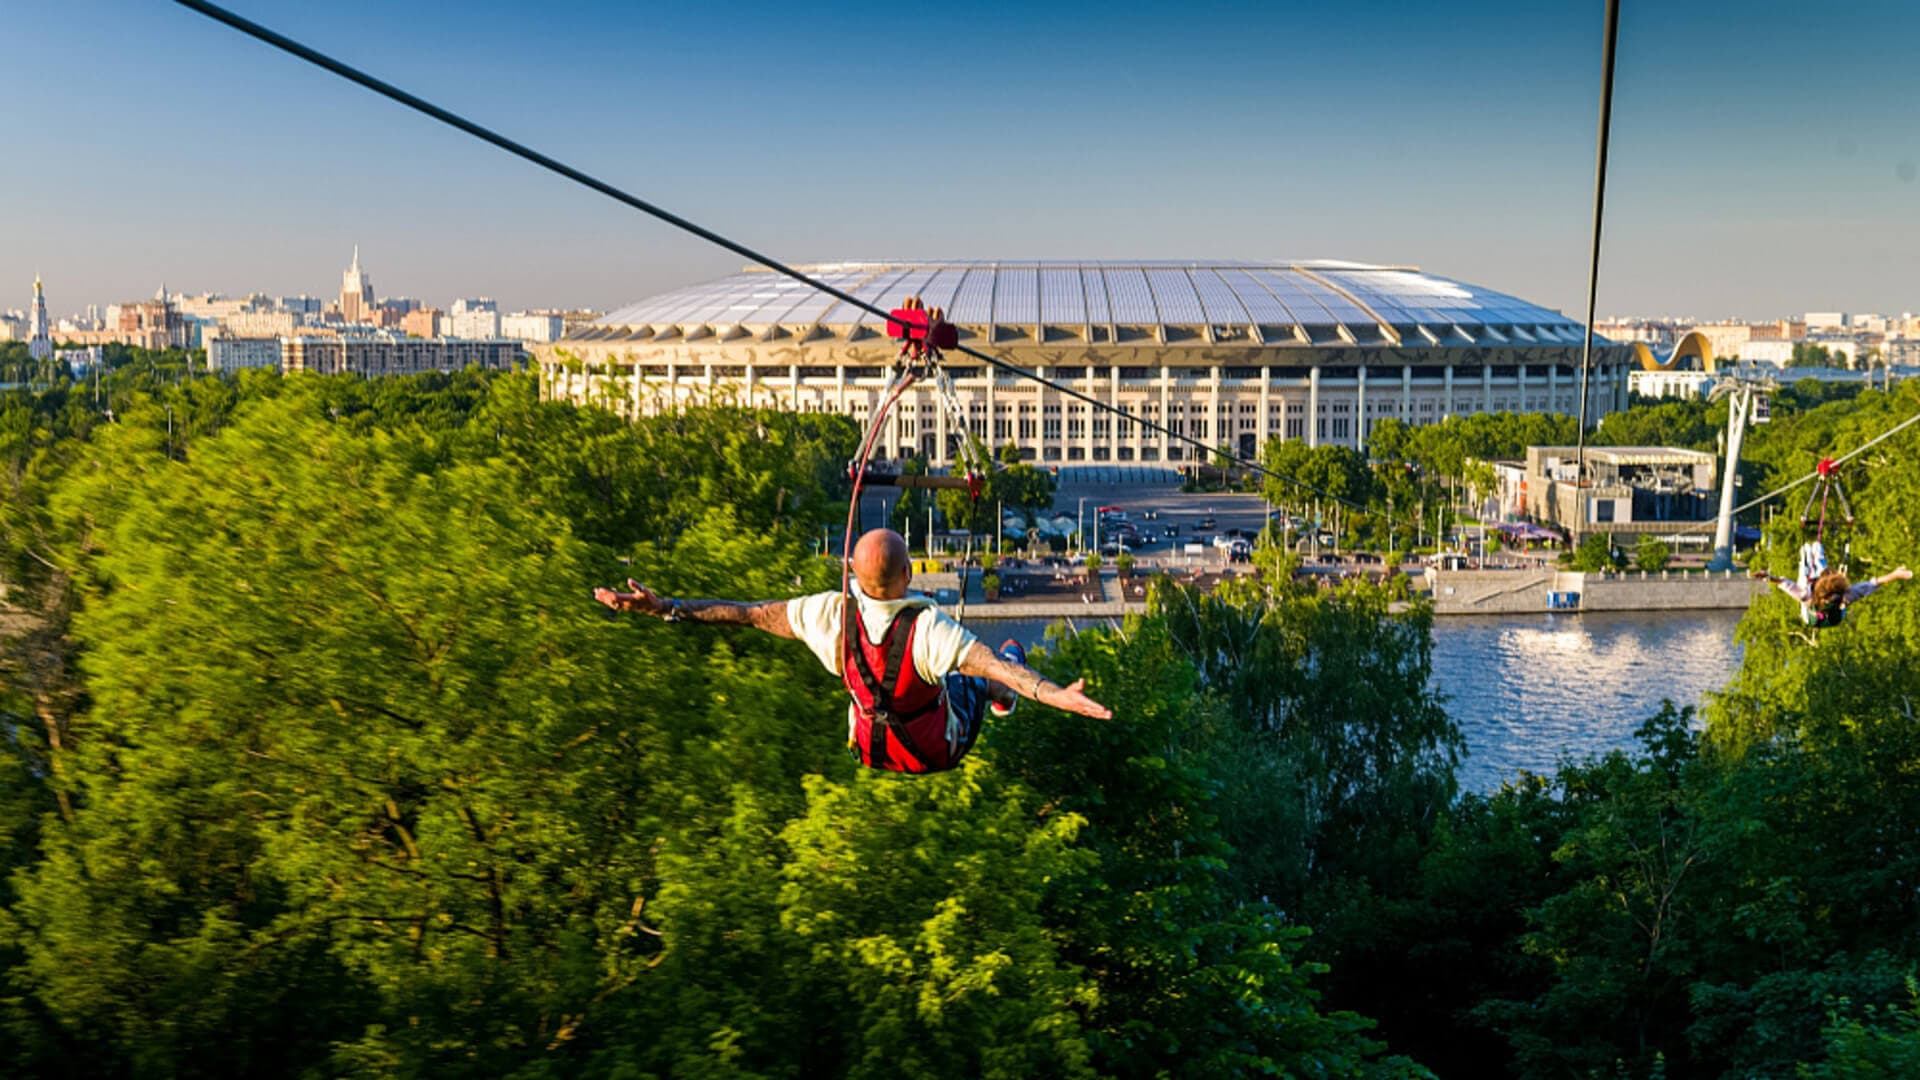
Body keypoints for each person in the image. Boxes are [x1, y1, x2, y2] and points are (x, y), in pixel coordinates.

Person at [594, 528, 1111, 774]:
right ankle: (998, 703)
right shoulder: (929, 629)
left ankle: (989, 695)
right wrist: (1059, 695)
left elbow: (745, 613)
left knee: (958, 678)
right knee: (1001, 663)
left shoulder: (829, 615)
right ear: (909, 575)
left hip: (867, 747)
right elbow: (998, 666)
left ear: (855, 578)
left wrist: (667, 607)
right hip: (935, 750)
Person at [1752, 539, 1912, 629]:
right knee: (1818, 556)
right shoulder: (1847, 595)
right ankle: (1817, 553)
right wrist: (1896, 575)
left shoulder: (1808, 597)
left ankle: (1807, 554)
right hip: (1831, 617)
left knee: (1806, 566)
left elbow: (1787, 584)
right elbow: (1873, 584)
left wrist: (1768, 577)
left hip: (1811, 616)